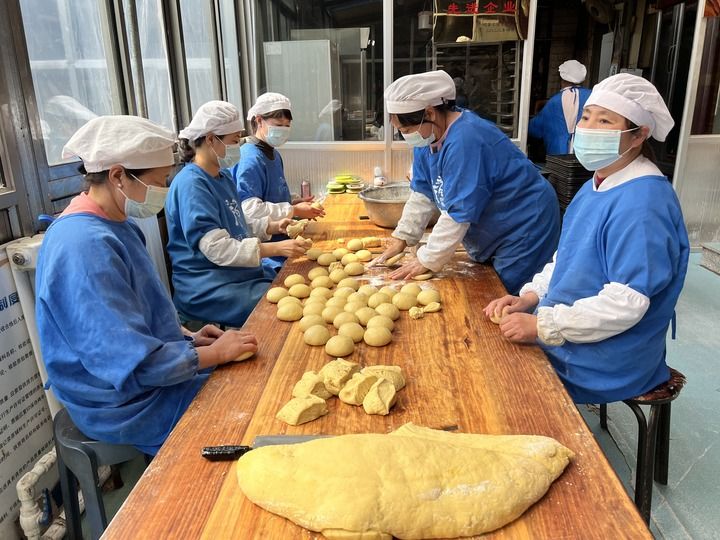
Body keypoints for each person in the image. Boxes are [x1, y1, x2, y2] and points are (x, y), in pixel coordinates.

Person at [35, 116, 258, 455]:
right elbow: (130, 362)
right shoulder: (83, 246)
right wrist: (214, 354)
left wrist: (186, 338)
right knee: (243, 412)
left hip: (148, 374)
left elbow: (137, 315)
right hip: (121, 402)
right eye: (158, 181)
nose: (164, 190)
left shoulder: (119, 225)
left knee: (245, 379)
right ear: (118, 176)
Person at [484, 73, 690, 404]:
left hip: (609, 356)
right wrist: (531, 297)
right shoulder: (595, 185)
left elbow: (626, 304)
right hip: (571, 327)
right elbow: (566, 258)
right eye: (586, 117)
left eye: (605, 121)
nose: (588, 128)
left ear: (639, 135)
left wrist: (543, 326)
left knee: (500, 382)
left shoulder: (643, 205)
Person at [374, 70, 560, 295]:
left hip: (524, 224)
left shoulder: (466, 139)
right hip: (493, 223)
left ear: (429, 112)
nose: (406, 136)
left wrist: (428, 259)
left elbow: (459, 211)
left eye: (406, 130)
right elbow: (423, 191)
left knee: (504, 297)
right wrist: (403, 237)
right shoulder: (427, 139)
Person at [166, 101, 306, 328]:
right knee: (284, 305)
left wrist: (271, 226)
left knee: (296, 286)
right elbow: (217, 248)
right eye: (233, 141)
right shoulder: (192, 184)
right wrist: (275, 248)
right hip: (208, 286)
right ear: (210, 139)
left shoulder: (223, 178)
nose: (238, 147)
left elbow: (236, 223)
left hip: (238, 275)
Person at [232, 92, 325, 223]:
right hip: (264, 235)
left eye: (287, 126)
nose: (284, 130)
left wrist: (293, 201)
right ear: (259, 121)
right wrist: (294, 210)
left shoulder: (274, 154)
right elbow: (251, 210)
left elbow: (272, 195)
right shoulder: (250, 159)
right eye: (279, 125)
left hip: (281, 231)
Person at [528, 60, 592, 155]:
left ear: (562, 79)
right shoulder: (593, 97)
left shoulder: (554, 102)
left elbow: (534, 129)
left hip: (558, 156)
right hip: (586, 154)